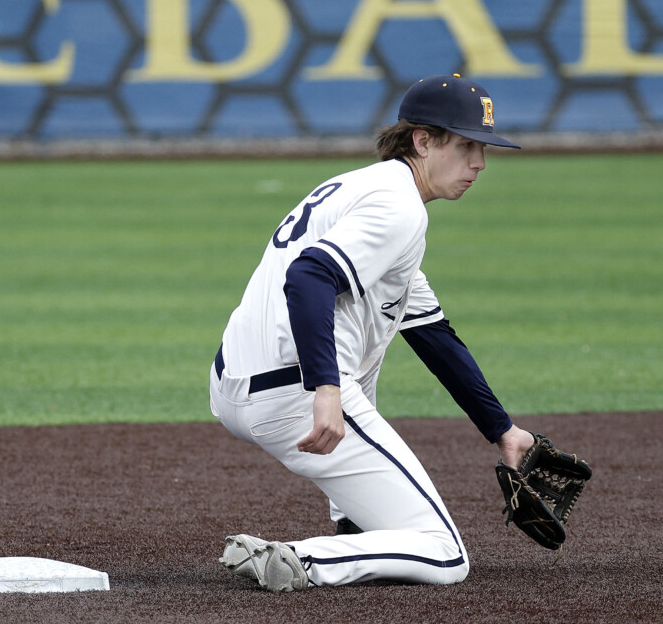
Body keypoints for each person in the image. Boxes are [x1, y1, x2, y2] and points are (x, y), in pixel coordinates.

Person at [210, 74, 536, 592]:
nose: (479, 162)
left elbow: (432, 333)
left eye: (484, 148)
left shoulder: (368, 187)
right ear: (423, 140)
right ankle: (298, 559)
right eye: (467, 145)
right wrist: (326, 390)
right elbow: (309, 276)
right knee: (446, 555)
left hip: (239, 383)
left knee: (365, 369)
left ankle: (353, 529)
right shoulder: (399, 208)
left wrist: (503, 431)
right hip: (295, 392)